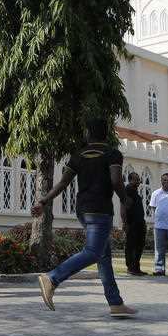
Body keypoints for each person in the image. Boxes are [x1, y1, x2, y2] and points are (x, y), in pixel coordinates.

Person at [34, 119, 137, 318]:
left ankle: (115, 303)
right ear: (106, 135)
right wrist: (125, 199)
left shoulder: (78, 156)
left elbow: (63, 183)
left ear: (89, 134)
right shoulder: (112, 154)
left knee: (103, 256)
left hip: (82, 209)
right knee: (92, 252)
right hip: (100, 210)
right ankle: (52, 278)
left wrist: (44, 201)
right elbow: (116, 180)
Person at [149, 173, 168, 277]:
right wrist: (156, 221)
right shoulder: (155, 193)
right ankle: (159, 269)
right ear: (161, 181)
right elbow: (153, 208)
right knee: (159, 248)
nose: (166, 182)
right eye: (164, 180)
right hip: (159, 226)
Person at [124, 172, 147, 276]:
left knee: (139, 245)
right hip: (132, 223)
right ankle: (131, 268)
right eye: (136, 180)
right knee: (132, 246)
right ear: (130, 180)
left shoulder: (135, 191)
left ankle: (136, 268)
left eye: (139, 180)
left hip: (139, 222)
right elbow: (123, 207)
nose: (139, 182)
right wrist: (125, 223)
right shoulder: (128, 190)